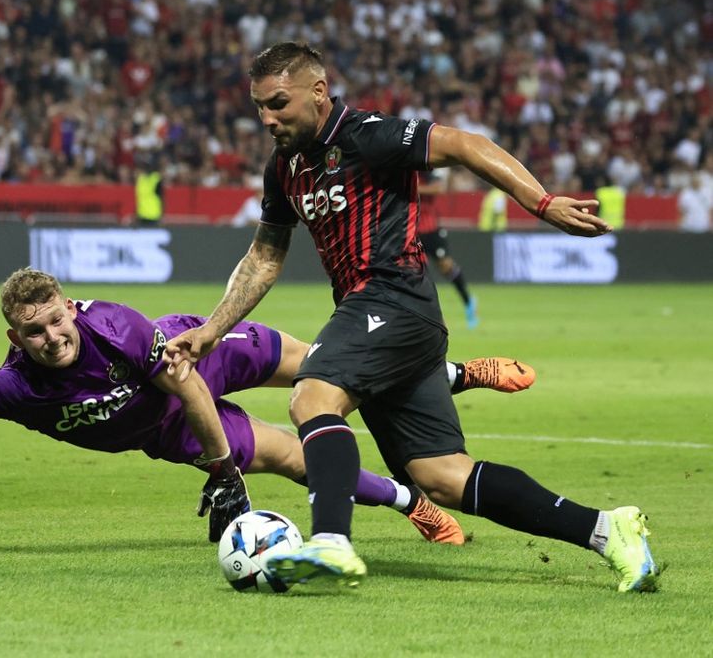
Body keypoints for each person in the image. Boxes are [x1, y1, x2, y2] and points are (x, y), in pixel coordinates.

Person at [163, 42, 658, 593]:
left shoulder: (366, 135)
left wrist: (540, 203)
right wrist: (212, 329)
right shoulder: (284, 168)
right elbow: (263, 257)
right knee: (441, 477)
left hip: (392, 298)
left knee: (312, 396)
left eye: (278, 103)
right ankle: (607, 530)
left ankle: (330, 541)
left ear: (318, 91)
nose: (267, 118)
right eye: (259, 107)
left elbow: (466, 145)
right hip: (389, 320)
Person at [0, 268, 535, 546]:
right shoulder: (16, 386)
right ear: (14, 333)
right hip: (175, 432)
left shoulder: (112, 327)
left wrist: (225, 470)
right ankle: (410, 503)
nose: (51, 338)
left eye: (55, 322)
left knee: (323, 373)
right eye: (33, 331)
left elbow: (185, 381)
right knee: (295, 454)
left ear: (67, 311)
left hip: (201, 356)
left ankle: (458, 373)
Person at [417, 168, 478, 328]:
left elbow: (438, 188)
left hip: (431, 229)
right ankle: (429, 316)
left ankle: (468, 301)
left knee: (445, 266)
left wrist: (415, 188)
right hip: (413, 231)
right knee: (419, 272)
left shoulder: (426, 173)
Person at [134, 155, 164, 226]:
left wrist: (162, 214)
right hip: (142, 215)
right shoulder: (141, 179)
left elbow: (162, 197)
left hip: (153, 215)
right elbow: (140, 198)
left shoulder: (156, 179)